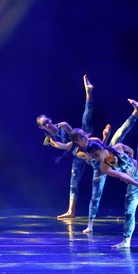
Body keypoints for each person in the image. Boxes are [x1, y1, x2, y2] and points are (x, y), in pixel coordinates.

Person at [86, 99, 138, 249]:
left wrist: (133, 161)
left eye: (96, 155)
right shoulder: (104, 167)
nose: (96, 159)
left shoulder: (118, 147)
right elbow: (123, 176)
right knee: (129, 211)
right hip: (135, 182)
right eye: (94, 157)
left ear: (102, 149)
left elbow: (131, 151)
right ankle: (126, 241)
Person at [70, 98, 138, 234]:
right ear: (77, 141)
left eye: (84, 134)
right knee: (95, 196)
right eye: (82, 137)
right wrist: (106, 136)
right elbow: (95, 157)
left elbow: (102, 149)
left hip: (107, 156)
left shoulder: (93, 140)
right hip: (100, 169)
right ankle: (90, 225)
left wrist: (105, 136)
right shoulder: (79, 152)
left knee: (120, 134)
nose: (85, 137)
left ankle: (135, 112)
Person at [36, 75, 94, 219]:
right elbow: (66, 147)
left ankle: (89, 92)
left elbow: (73, 139)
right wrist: (64, 146)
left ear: (51, 120)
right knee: (74, 181)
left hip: (82, 138)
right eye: (44, 124)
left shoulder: (63, 125)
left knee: (86, 117)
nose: (47, 125)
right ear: (41, 127)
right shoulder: (49, 139)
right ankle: (71, 211)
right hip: (77, 153)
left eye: (47, 121)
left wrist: (67, 145)